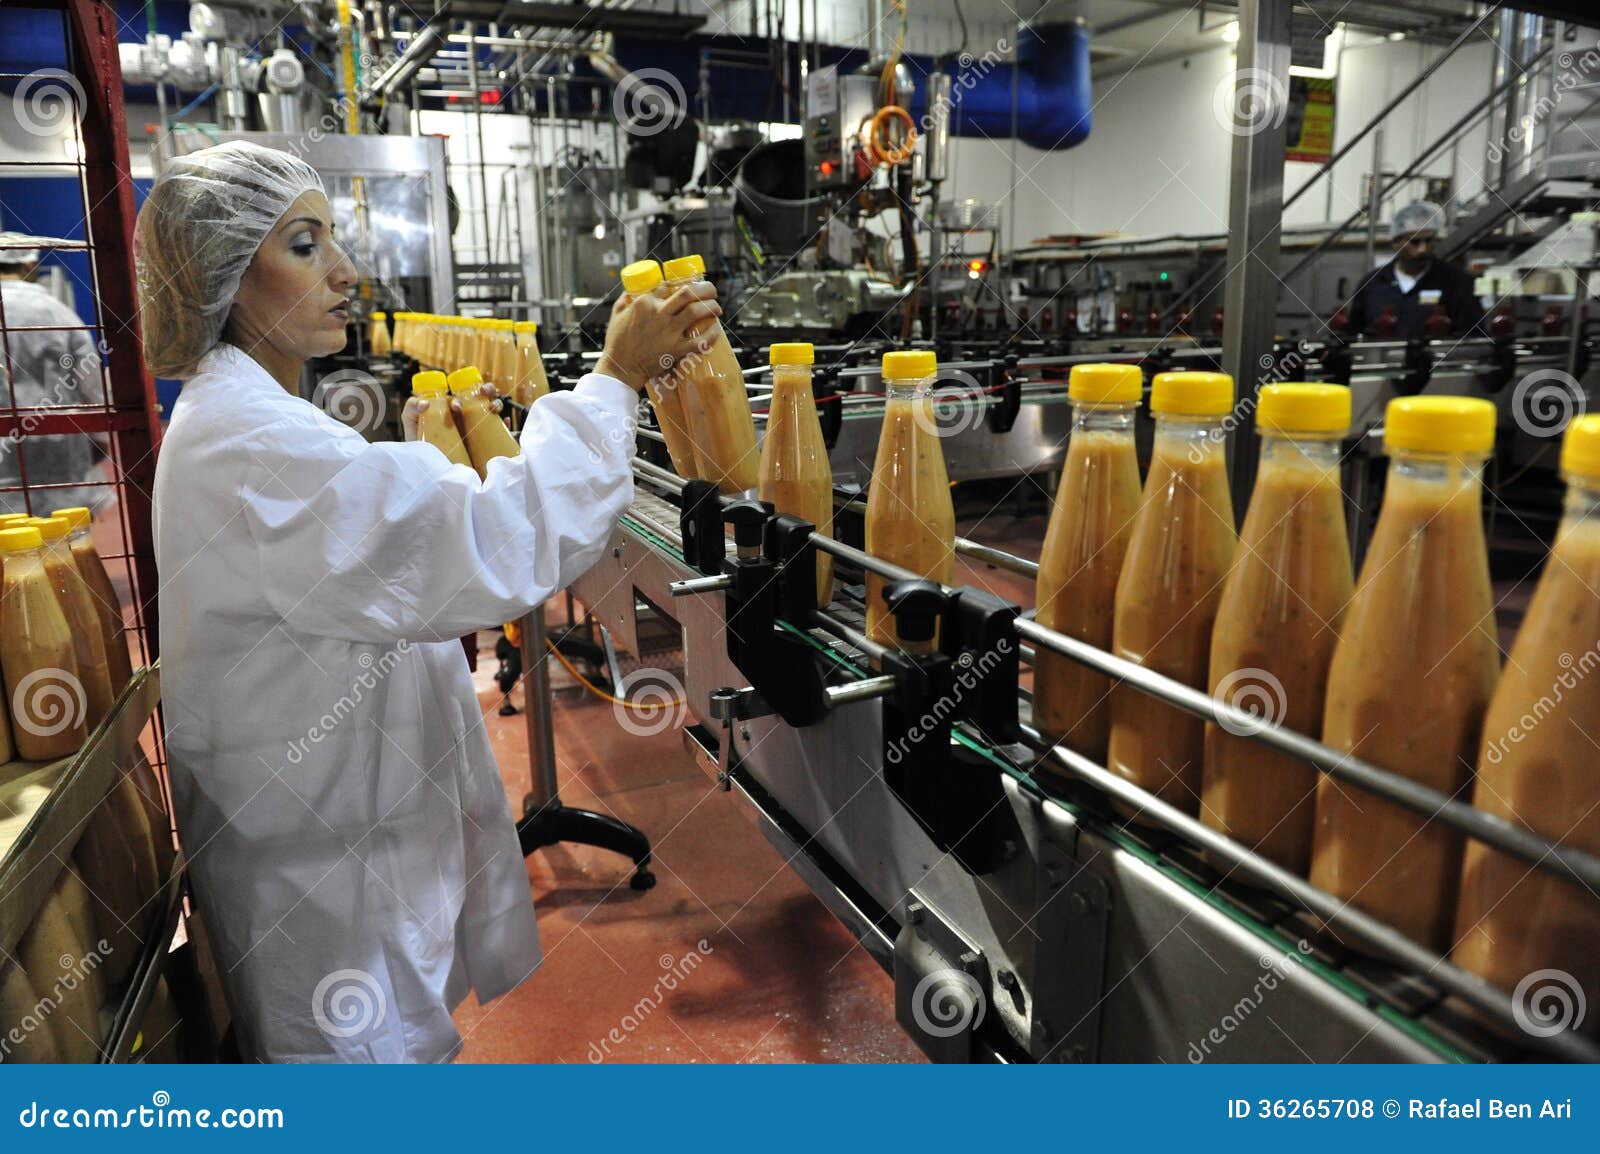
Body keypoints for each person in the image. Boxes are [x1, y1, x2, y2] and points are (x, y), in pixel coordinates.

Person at [135, 141, 720, 1062]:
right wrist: (614, 380)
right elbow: (493, 545)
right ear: (225, 272)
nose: (345, 272)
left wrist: (413, 470)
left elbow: (376, 542)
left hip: (328, 840)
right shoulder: (249, 444)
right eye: (303, 245)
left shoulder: (250, 421)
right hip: (318, 875)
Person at [0, 232, 107, 515]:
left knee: (12, 549)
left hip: (3, 461)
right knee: (66, 546)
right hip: (60, 456)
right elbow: (91, 382)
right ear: (29, 267)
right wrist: (101, 438)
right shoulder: (59, 314)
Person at [1346, 200, 1485, 342]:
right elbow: (1354, 333)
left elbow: (1473, 336)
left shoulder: (1457, 282)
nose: (1423, 249)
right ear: (1395, 243)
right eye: (1415, 242)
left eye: (1429, 241)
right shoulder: (1373, 284)